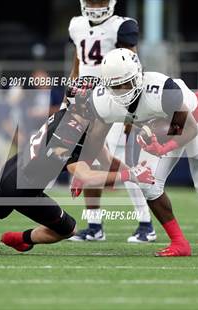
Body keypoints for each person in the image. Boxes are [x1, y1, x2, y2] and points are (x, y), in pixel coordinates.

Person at [76, 48, 198, 256]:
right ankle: (180, 243)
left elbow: (189, 129)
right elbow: (96, 138)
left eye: (126, 82)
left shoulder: (162, 90)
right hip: (156, 130)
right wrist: (83, 169)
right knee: (148, 184)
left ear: (138, 76)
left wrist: (165, 147)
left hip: (194, 119)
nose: (122, 90)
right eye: (115, 85)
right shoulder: (103, 102)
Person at [0, 86, 154, 254]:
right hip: (24, 187)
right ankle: (20, 238)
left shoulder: (70, 117)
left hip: (14, 170)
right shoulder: (68, 132)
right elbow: (84, 175)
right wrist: (129, 175)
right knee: (67, 229)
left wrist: (131, 171)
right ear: (83, 107)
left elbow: (103, 155)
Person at [66, 0, 155, 242]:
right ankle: (94, 226)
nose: (95, 5)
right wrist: (72, 87)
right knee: (90, 160)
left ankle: (146, 223)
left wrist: (133, 108)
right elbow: (79, 60)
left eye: (100, 0)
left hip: (114, 99)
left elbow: (133, 65)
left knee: (117, 161)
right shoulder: (76, 25)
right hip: (87, 102)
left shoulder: (121, 26)